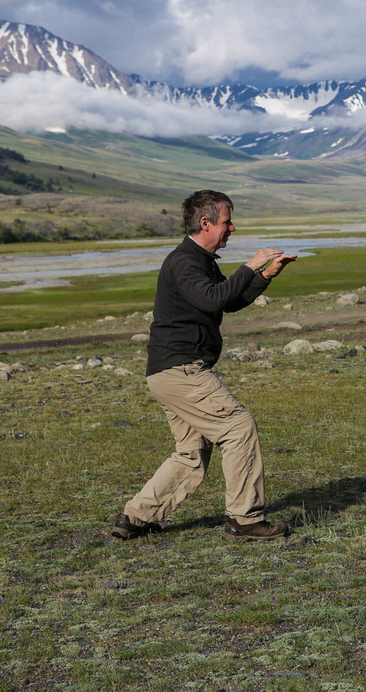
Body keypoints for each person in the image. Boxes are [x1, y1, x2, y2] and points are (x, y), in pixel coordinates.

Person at [111, 189, 297, 542]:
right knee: (238, 427)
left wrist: (266, 274)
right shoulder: (184, 261)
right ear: (206, 222)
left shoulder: (200, 260)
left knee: (191, 453)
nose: (233, 228)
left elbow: (224, 303)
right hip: (181, 370)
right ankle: (244, 519)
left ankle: (136, 517)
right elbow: (214, 297)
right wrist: (250, 265)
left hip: (169, 371)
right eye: (227, 222)